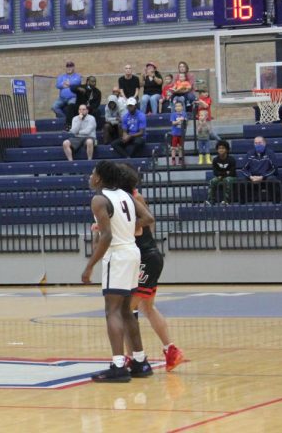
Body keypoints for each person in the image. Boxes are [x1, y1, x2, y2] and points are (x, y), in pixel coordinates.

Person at [81, 161, 155, 382]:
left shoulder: (99, 199)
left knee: (111, 311)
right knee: (127, 311)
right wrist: (125, 228)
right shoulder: (126, 195)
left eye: (93, 174)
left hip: (118, 255)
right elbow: (148, 218)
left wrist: (90, 265)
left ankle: (118, 365)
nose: (90, 177)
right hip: (133, 252)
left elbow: (106, 237)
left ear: (99, 178)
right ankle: (140, 362)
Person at [114, 164, 185, 371]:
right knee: (145, 307)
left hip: (145, 257)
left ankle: (133, 357)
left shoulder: (135, 198)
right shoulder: (128, 198)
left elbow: (140, 227)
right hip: (145, 256)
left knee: (126, 309)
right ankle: (170, 350)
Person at [238, 136, 280, 202]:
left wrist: (262, 176)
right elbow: (244, 169)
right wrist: (250, 176)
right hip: (253, 178)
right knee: (241, 180)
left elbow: (274, 169)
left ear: (265, 143)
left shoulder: (270, 153)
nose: (258, 145)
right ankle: (242, 204)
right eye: (256, 143)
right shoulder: (250, 153)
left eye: (260, 143)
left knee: (272, 179)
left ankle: (276, 203)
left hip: (265, 178)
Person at [207, 140, 236, 205]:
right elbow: (215, 172)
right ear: (217, 150)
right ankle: (211, 201)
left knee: (227, 179)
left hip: (232, 178)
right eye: (219, 148)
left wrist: (222, 174)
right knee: (212, 181)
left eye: (223, 148)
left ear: (227, 149)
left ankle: (226, 201)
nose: (221, 150)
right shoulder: (215, 160)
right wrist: (225, 173)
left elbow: (232, 172)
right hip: (220, 177)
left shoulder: (231, 159)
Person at [169, 102, 187, 167]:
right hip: (174, 133)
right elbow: (173, 123)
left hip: (181, 134)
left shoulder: (184, 114)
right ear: (175, 108)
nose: (178, 107)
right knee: (173, 148)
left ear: (182, 107)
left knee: (180, 148)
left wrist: (184, 120)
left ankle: (180, 159)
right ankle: (173, 159)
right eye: (176, 106)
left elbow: (185, 123)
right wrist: (179, 121)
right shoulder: (173, 114)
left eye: (179, 106)